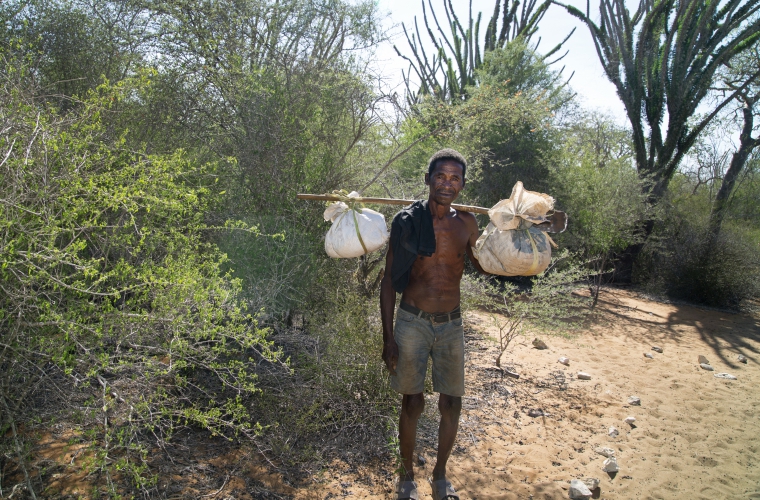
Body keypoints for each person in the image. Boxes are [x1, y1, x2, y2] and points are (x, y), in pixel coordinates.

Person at [380, 149, 485, 500]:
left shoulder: (467, 224)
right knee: (412, 402)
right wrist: (388, 337)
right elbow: (387, 281)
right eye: (440, 176)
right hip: (413, 322)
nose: (447, 183)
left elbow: (485, 265)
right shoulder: (407, 221)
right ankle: (406, 474)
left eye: (455, 178)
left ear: (462, 185)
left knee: (451, 402)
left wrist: (520, 229)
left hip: (451, 325)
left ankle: (440, 474)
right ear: (428, 180)